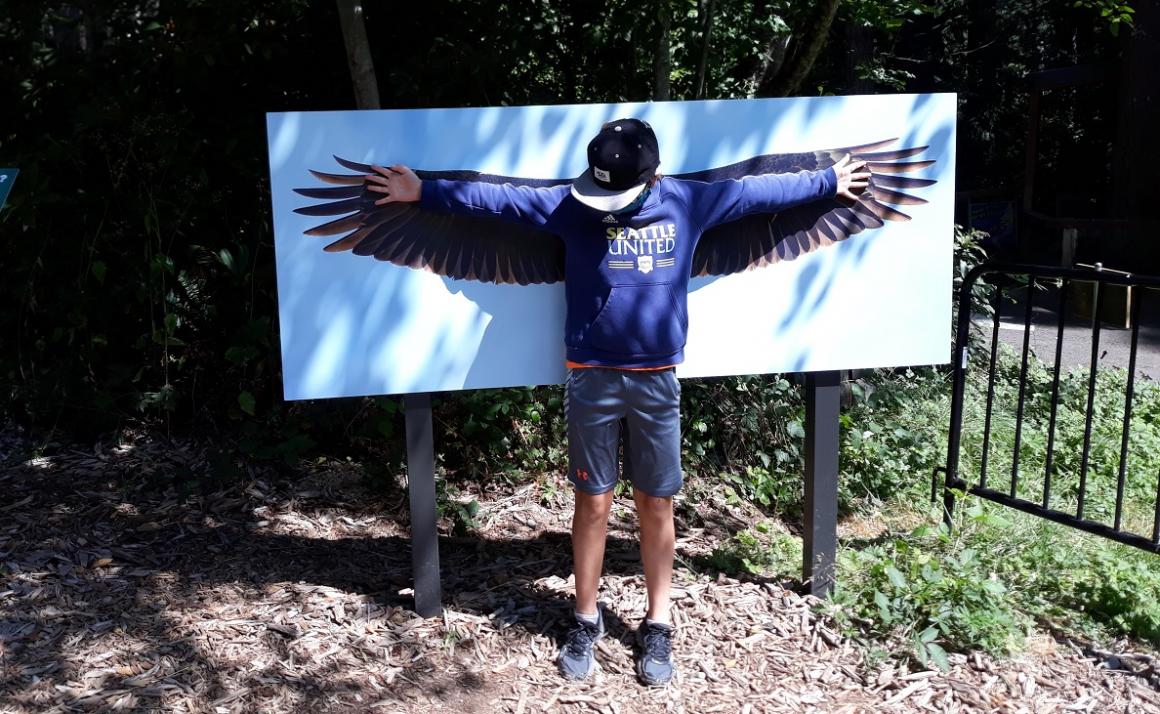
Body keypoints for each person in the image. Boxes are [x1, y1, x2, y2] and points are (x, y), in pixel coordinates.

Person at [365, 118, 869, 686]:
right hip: (591, 378)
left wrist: (828, 182)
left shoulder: (688, 201)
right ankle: (585, 616)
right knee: (593, 502)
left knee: (657, 504)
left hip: (656, 382)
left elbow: (758, 192)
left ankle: (658, 624)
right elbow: (497, 201)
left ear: (651, 176)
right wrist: (423, 190)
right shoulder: (572, 206)